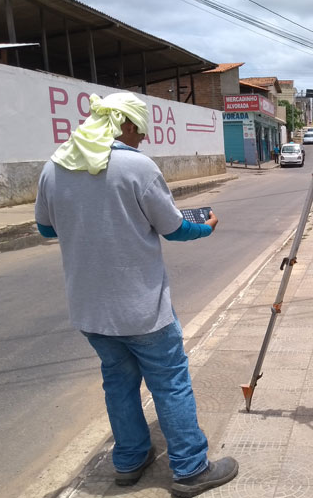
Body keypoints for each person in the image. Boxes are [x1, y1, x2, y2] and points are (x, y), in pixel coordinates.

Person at [34, 92, 238, 496]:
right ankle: (191, 468)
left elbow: (45, 228)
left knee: (118, 383)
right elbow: (174, 227)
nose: (142, 138)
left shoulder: (54, 167)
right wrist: (207, 226)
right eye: (139, 130)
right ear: (124, 124)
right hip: (142, 310)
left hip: (91, 311)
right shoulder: (135, 167)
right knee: (170, 383)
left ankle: (129, 460)